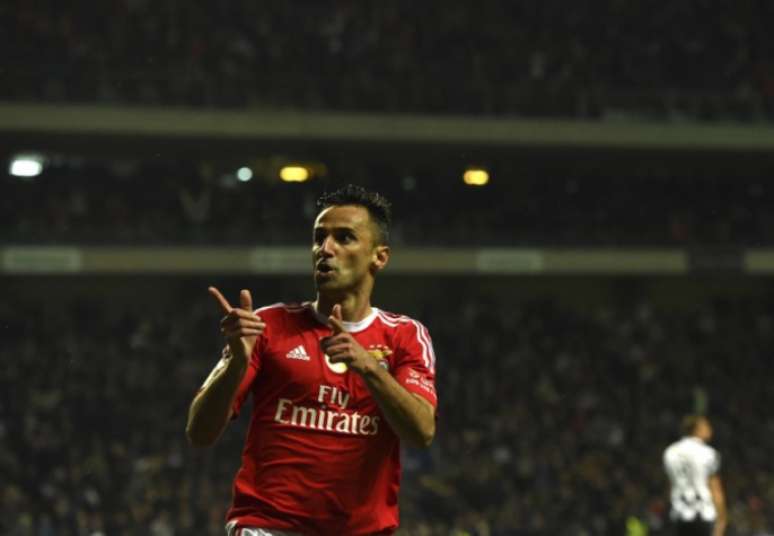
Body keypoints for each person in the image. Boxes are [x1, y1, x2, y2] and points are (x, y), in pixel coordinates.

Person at [186, 184, 438, 535]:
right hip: (266, 528)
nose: (326, 249)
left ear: (379, 257)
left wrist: (367, 366)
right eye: (320, 238)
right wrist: (235, 366)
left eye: (345, 238)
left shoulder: (405, 336)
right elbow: (199, 432)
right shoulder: (267, 326)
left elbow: (422, 431)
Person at [663, 415, 727, 536]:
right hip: (703, 513)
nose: (710, 429)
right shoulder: (709, 454)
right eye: (706, 426)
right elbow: (715, 489)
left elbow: (670, 486)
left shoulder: (669, 452)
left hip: (679, 512)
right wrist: (722, 519)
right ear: (697, 428)